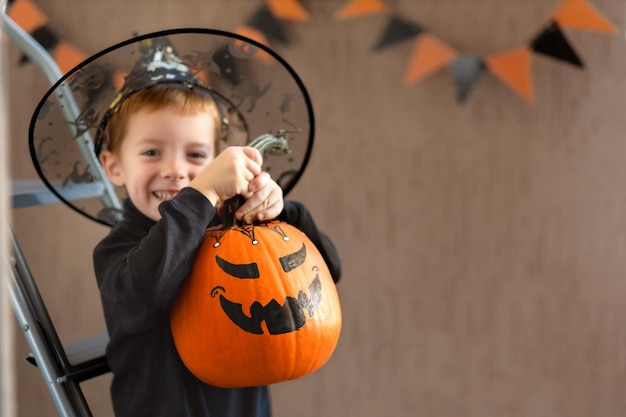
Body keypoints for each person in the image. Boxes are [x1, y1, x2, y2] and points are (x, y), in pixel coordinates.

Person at [91, 44, 341, 416]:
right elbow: (146, 293)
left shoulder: (234, 229)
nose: (176, 170)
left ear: (216, 160)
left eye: (195, 156)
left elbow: (329, 271)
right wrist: (202, 192)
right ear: (113, 167)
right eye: (151, 153)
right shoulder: (119, 249)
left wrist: (279, 214)